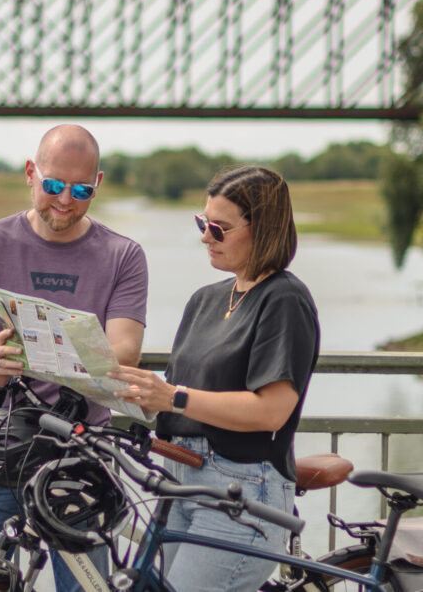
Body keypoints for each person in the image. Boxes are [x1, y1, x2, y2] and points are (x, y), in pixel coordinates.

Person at [0, 123, 148, 591]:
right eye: (54, 185)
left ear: (97, 185)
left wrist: (55, 348)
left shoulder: (123, 255)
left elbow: (124, 350)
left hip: (81, 454)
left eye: (80, 190)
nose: (65, 200)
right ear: (30, 173)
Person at [109, 165, 319, 592]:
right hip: (177, 479)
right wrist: (143, 396)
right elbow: (180, 395)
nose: (205, 236)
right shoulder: (204, 300)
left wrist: (174, 398)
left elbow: (272, 411)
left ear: (263, 230)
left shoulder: (284, 299)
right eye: (202, 223)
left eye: (219, 229)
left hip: (241, 489)